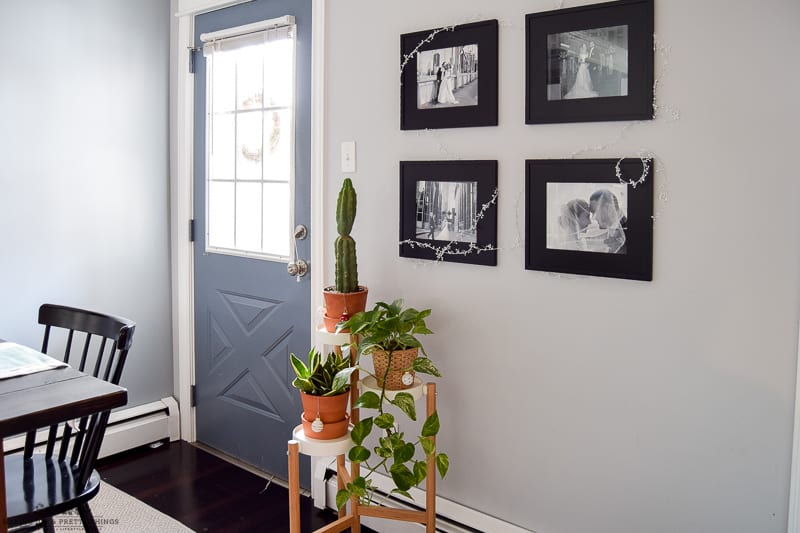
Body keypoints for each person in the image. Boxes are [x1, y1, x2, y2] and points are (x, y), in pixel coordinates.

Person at [587, 189, 627, 253]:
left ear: (608, 208)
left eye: (595, 212)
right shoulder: (614, 229)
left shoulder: (626, 232)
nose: (593, 218)